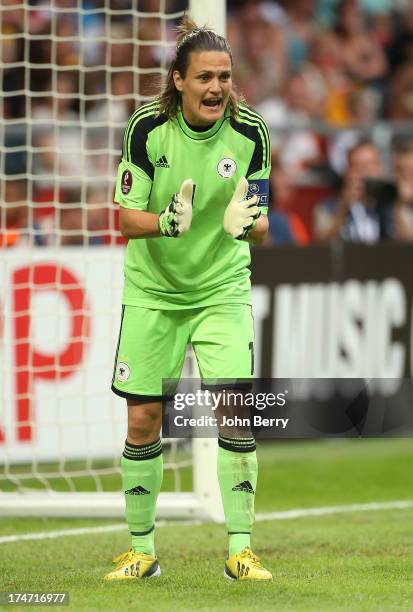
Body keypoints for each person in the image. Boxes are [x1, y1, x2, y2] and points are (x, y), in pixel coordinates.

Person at [105, 16, 272, 582]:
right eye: (204, 77)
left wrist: (244, 222)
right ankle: (142, 551)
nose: (217, 88)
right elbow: (126, 219)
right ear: (178, 80)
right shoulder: (146, 129)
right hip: (154, 291)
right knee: (145, 417)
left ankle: (241, 552)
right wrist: (166, 223)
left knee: (237, 413)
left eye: (224, 77)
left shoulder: (250, 133)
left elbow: (264, 226)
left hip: (222, 289)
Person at [313, 139, 384, 243]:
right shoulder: (328, 207)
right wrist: (343, 208)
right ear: (347, 171)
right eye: (358, 166)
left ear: (379, 168)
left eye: (369, 165)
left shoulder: (390, 205)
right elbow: (321, 244)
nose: (364, 172)